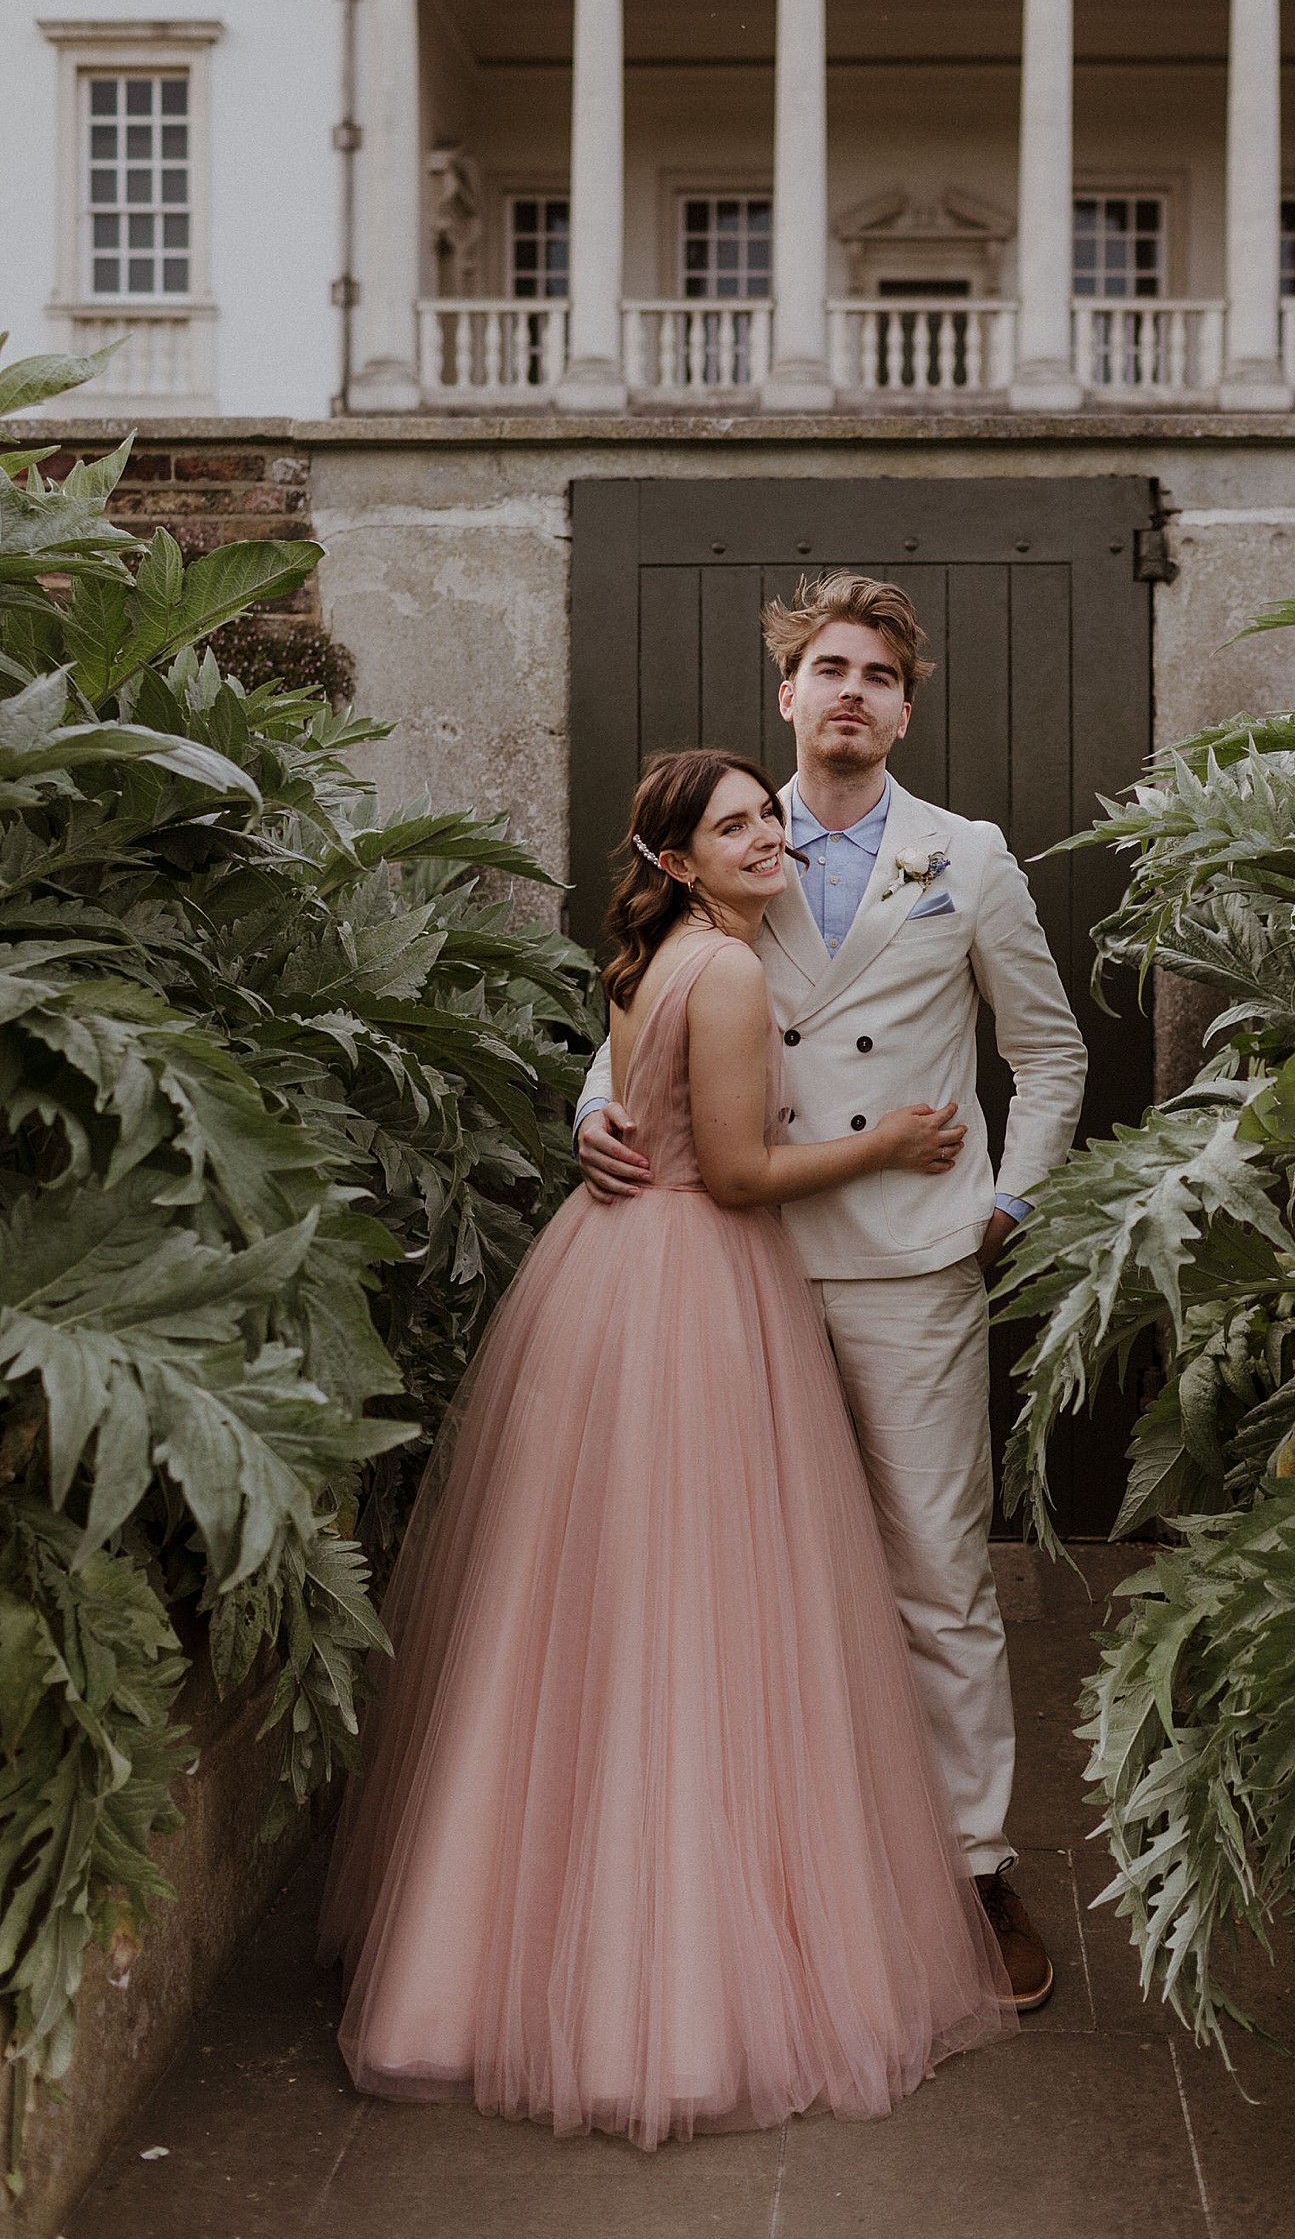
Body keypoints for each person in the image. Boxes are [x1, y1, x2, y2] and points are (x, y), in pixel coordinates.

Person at [319, 747, 1015, 2149]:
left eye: (769, 816)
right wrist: (891, 1147)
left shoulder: (653, 959)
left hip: (611, 1266)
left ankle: (492, 1955)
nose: (767, 837)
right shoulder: (737, 970)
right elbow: (745, 1172)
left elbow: (650, 1112)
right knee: (707, 1607)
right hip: (703, 1278)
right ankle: (685, 1981)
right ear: (678, 860)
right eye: (735, 825)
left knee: (580, 1603)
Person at [578, 573, 1088, 2011]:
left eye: (878, 673)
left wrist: (1007, 1200)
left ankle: (972, 1870)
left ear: (905, 707)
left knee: (937, 1569)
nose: (851, 691)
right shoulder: (727, 837)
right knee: (738, 1574)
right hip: (736, 1264)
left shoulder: (965, 856)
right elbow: (648, 994)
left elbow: (1047, 1055)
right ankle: (768, 1869)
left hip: (914, 1260)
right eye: (827, 668)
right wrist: (585, 1112)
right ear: (787, 695)